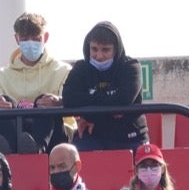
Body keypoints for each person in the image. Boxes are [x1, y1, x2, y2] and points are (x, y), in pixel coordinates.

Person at [0, 12, 71, 153]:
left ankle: (36, 148)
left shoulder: (63, 71)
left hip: (55, 137)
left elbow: (72, 101)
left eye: (36, 39)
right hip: (15, 131)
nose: (31, 43)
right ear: (17, 39)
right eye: (25, 39)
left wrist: (59, 101)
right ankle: (10, 147)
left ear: (46, 37)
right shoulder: (1, 76)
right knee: (5, 102)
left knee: (44, 100)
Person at [62, 20, 147, 152]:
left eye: (105, 50)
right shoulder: (81, 68)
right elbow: (68, 99)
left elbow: (123, 99)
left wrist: (89, 114)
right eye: (94, 49)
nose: (99, 56)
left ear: (116, 49)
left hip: (130, 137)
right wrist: (111, 108)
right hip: (92, 135)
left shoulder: (131, 67)